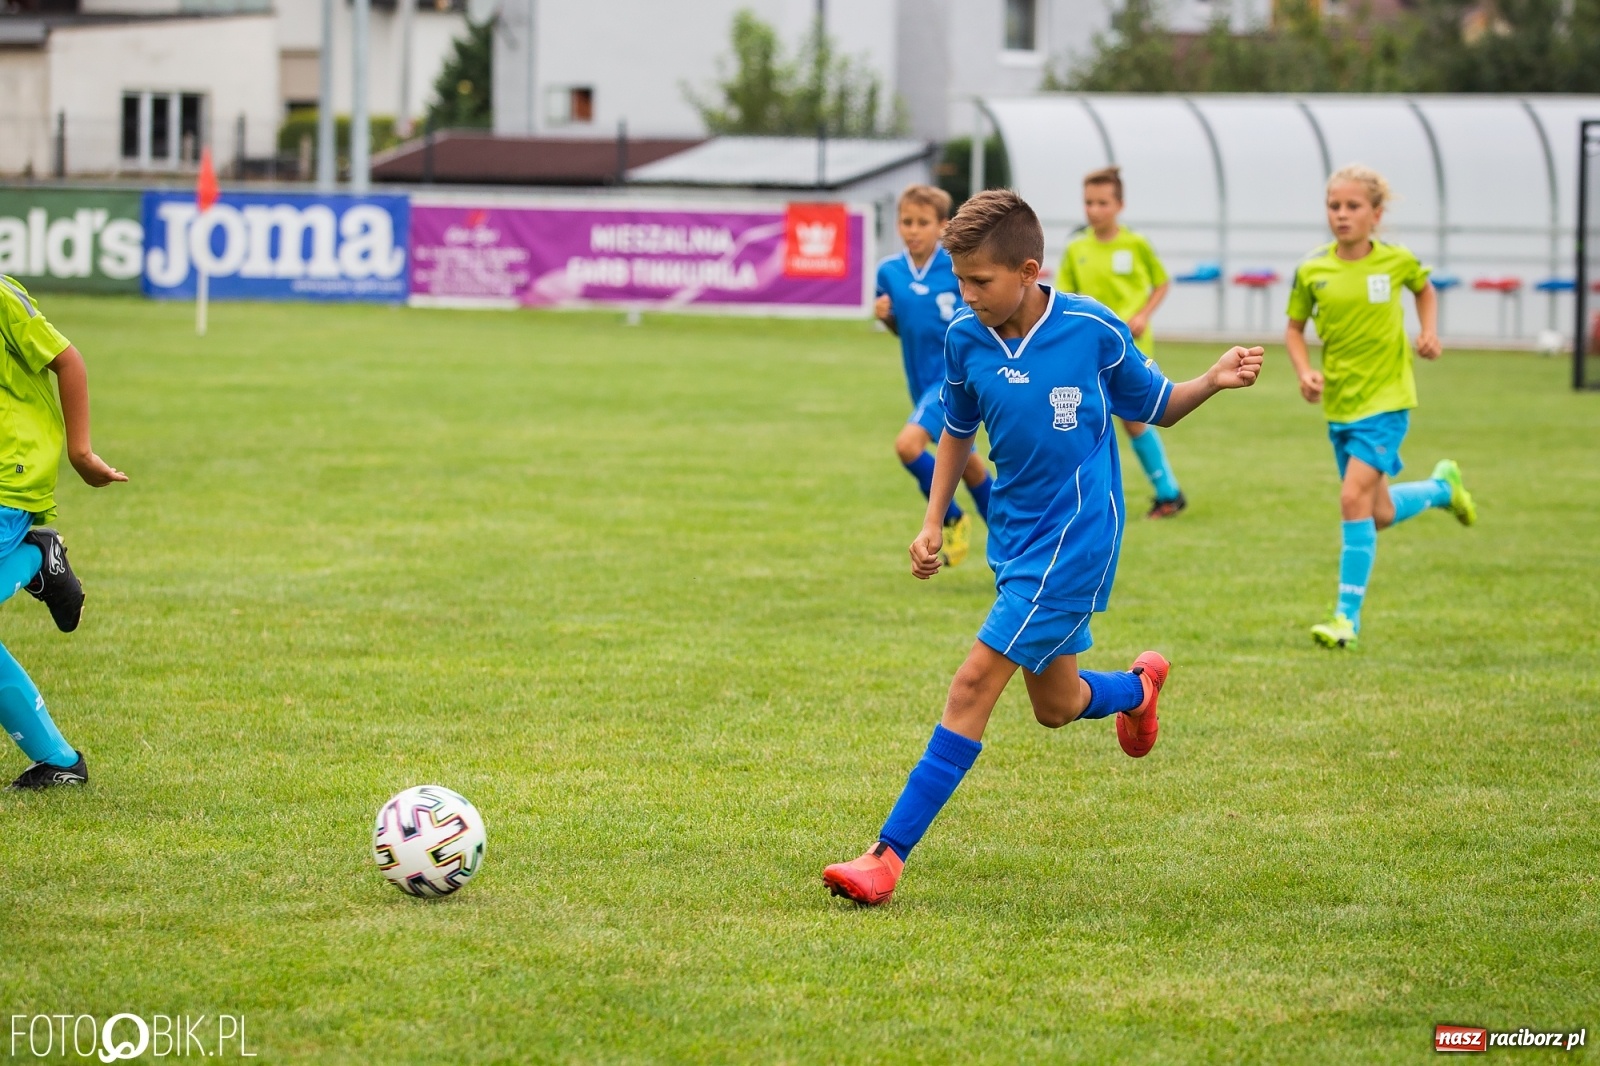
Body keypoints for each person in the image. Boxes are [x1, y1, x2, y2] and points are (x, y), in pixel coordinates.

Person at [824, 190, 1263, 905]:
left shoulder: (1092, 328)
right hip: (1016, 539)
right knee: (1055, 705)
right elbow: (956, 432)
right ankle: (1137, 689)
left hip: (1078, 541)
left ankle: (885, 857)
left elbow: (1155, 407)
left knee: (971, 686)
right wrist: (935, 518)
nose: (964, 295)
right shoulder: (964, 337)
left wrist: (1210, 381)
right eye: (960, 281)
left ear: (1028, 270)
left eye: (979, 282)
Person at [1284, 164, 1475, 650]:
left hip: (1388, 402)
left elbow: (1424, 288)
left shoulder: (1396, 261)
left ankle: (1345, 618)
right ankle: (1441, 488)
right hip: (1341, 406)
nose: (1342, 215)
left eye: (1353, 207)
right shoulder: (1312, 270)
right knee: (1378, 511)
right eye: (1334, 206)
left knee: (1351, 500)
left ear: (1376, 213)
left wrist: (1428, 331)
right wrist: (1305, 371)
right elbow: (1294, 330)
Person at [0, 275, 126, 789]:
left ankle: (34, 558)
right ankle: (58, 761)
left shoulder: (2, 297)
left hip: (10, 476)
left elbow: (67, 359)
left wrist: (81, 452)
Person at [875, 184, 995, 567]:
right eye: (906, 222)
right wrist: (888, 318)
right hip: (920, 381)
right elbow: (905, 328)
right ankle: (1016, 540)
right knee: (970, 465)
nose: (912, 230)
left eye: (922, 222)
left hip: (951, 378)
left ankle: (952, 516)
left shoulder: (957, 266)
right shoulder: (889, 272)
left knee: (908, 445)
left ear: (943, 225)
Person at [1057, 166, 1186, 518]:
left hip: (1132, 344)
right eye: (1088, 203)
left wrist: (1143, 313)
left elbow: (1161, 283)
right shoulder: (1076, 248)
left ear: (1119, 205)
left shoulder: (1135, 244)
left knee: (1134, 418)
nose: (1094, 210)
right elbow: (1065, 296)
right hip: (1089, 347)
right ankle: (1091, 500)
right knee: (1082, 417)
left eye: (1102, 202)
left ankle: (1167, 490)